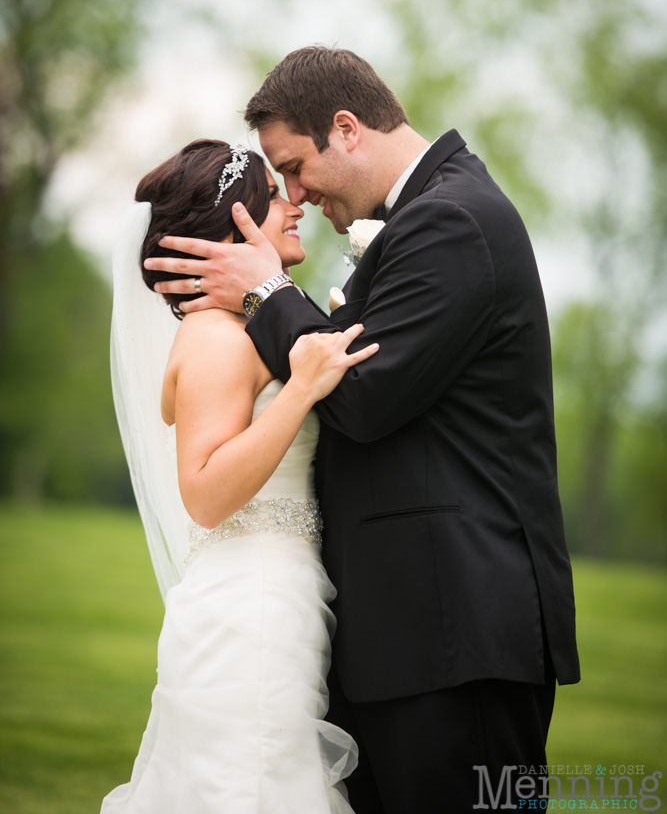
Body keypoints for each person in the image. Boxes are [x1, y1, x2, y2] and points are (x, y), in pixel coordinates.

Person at [145, 48, 581, 813]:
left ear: (345, 129)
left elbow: (365, 395)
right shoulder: (423, 217)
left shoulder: (451, 220)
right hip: (395, 633)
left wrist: (267, 293)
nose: (294, 195)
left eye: (294, 167)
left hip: (453, 634)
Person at [102, 138, 379, 813]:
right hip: (250, 608)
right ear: (238, 227)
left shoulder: (236, 329)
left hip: (272, 594)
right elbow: (203, 492)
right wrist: (298, 392)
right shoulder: (218, 340)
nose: (295, 205)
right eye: (273, 196)